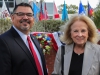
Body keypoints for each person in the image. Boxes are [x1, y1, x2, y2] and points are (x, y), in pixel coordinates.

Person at [0, 3, 48, 75]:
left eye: (29, 15)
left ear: (33, 19)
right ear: (12, 18)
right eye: (20, 14)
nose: (25, 17)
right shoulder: (3, 41)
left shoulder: (34, 39)